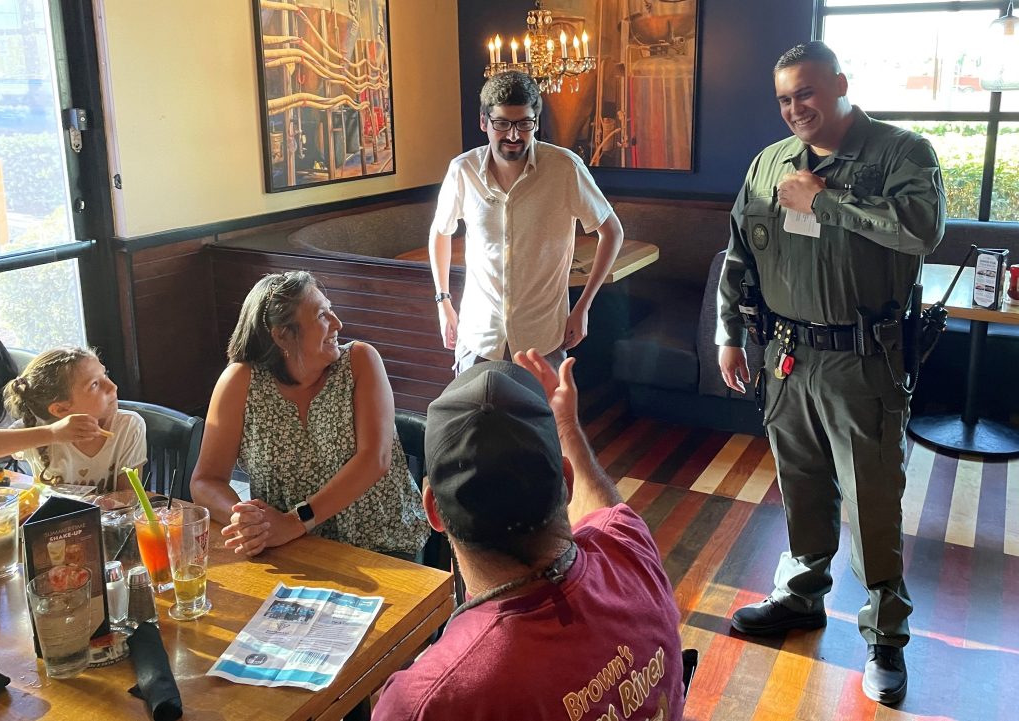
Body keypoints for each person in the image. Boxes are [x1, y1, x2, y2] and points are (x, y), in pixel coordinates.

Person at [716, 41, 945, 705]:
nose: (796, 109)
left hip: (863, 361)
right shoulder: (768, 164)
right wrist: (731, 335)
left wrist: (826, 201)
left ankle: (885, 636)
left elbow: (923, 229)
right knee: (803, 489)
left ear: (840, 84)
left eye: (807, 94)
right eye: (785, 99)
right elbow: (739, 255)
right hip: (789, 360)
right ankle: (800, 595)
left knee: (873, 503)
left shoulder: (902, 153)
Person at [372, 351, 685, 721]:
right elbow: (607, 508)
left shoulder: (429, 700)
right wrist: (566, 426)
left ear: (434, 512)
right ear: (564, 484)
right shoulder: (626, 545)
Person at [189, 271, 429, 559]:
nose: (338, 324)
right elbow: (205, 481)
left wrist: (295, 521)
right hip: (290, 550)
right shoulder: (241, 382)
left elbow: (375, 459)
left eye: (331, 310)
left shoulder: (360, 361)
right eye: (321, 316)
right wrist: (248, 521)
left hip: (382, 546)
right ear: (282, 336)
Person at [429, 70, 624, 373]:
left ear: (536, 123)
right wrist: (443, 302)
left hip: (543, 336)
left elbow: (612, 232)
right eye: (502, 123)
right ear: (484, 122)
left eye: (524, 124)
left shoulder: (565, 168)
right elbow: (440, 232)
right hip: (479, 334)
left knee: (544, 420)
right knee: (471, 420)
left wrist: (583, 306)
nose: (513, 135)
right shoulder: (462, 171)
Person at [0, 346, 146, 492]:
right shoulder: (36, 428)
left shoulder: (127, 426)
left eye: (105, 374)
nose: (113, 387)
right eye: (94, 384)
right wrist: (52, 434)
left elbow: (130, 495)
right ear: (60, 409)